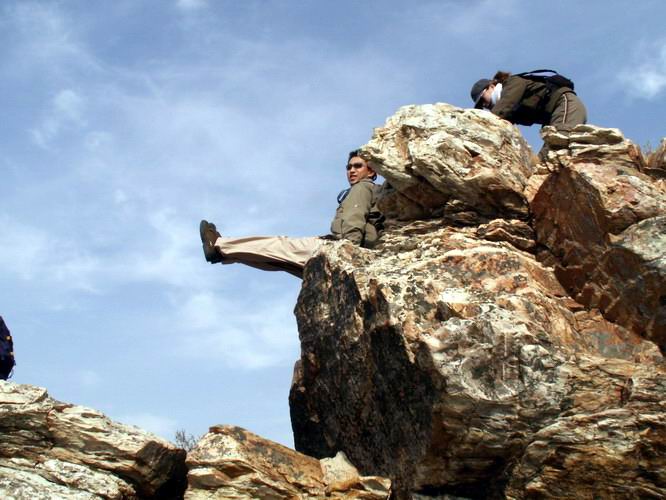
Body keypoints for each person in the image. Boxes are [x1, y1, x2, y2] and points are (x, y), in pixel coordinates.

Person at [199, 151, 384, 278]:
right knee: (280, 261)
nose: (351, 171)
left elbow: (354, 218)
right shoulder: (371, 190)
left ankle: (219, 246)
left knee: (279, 245)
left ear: (371, 171)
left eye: (358, 166)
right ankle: (223, 253)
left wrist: (349, 250)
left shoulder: (363, 187)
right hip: (348, 252)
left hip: (339, 249)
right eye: (349, 167)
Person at [470, 71, 587, 131]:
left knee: (560, 141)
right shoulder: (510, 112)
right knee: (546, 156)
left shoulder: (512, 82)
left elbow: (505, 104)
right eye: (481, 105)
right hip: (554, 116)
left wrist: (485, 124)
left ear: (491, 86)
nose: (484, 105)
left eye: (482, 99)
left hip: (565, 105)